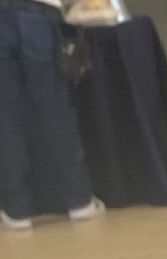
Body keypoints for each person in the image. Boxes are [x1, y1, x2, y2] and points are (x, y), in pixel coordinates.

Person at [0, 0, 104, 231]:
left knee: (5, 118)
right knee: (54, 109)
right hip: (38, 12)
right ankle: (79, 200)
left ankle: (16, 210)